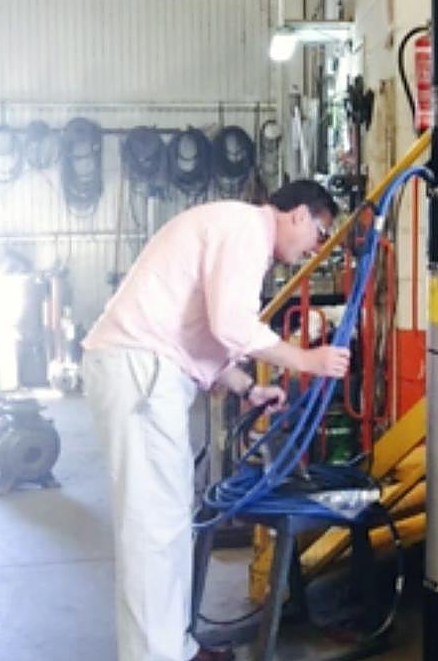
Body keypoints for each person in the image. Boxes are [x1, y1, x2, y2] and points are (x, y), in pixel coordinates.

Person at [82, 180, 351, 661]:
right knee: (152, 530)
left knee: (166, 523)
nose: (316, 245)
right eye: (318, 231)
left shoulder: (235, 230)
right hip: (139, 372)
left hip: (147, 371)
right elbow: (231, 324)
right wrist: (306, 360)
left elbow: (206, 332)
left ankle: (175, 647)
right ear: (297, 215)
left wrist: (248, 387)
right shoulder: (246, 230)